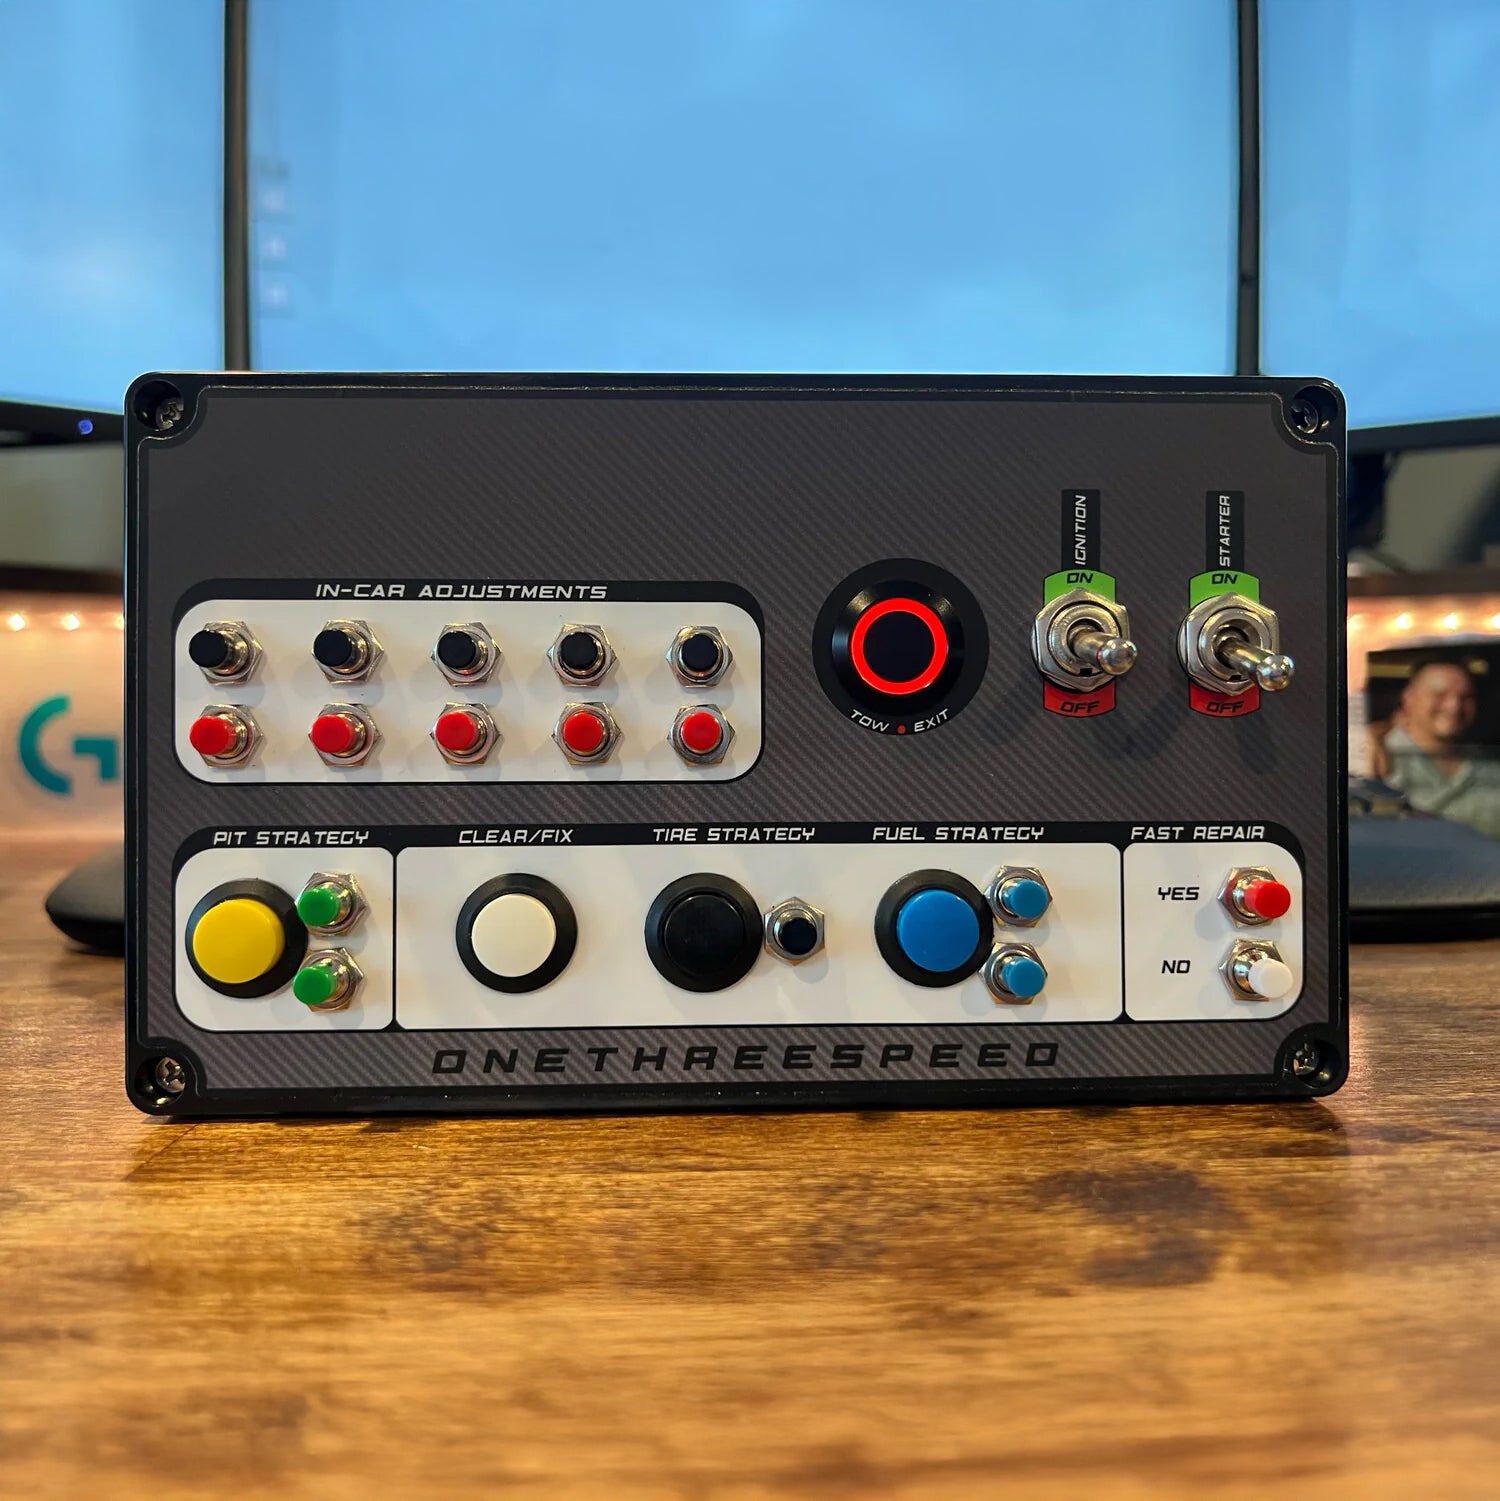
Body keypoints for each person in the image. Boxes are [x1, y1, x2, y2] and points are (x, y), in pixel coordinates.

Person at [1369, 657, 1500, 839]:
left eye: (1466, 697)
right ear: (1409, 699)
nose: (1454, 706)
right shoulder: (1377, 759)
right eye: (1439, 695)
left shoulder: (1487, 763)